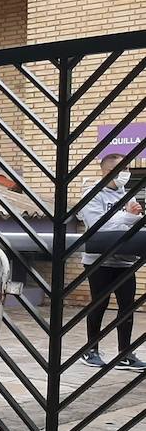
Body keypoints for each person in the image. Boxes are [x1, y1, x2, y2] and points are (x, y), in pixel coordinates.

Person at [78, 153, 146, 371]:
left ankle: (125, 354)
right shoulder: (92, 194)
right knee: (100, 304)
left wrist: (132, 218)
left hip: (125, 261)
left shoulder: (127, 195)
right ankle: (90, 350)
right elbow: (99, 226)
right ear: (107, 171)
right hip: (100, 261)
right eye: (122, 169)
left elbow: (134, 222)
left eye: (127, 169)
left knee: (127, 307)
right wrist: (127, 217)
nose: (127, 173)